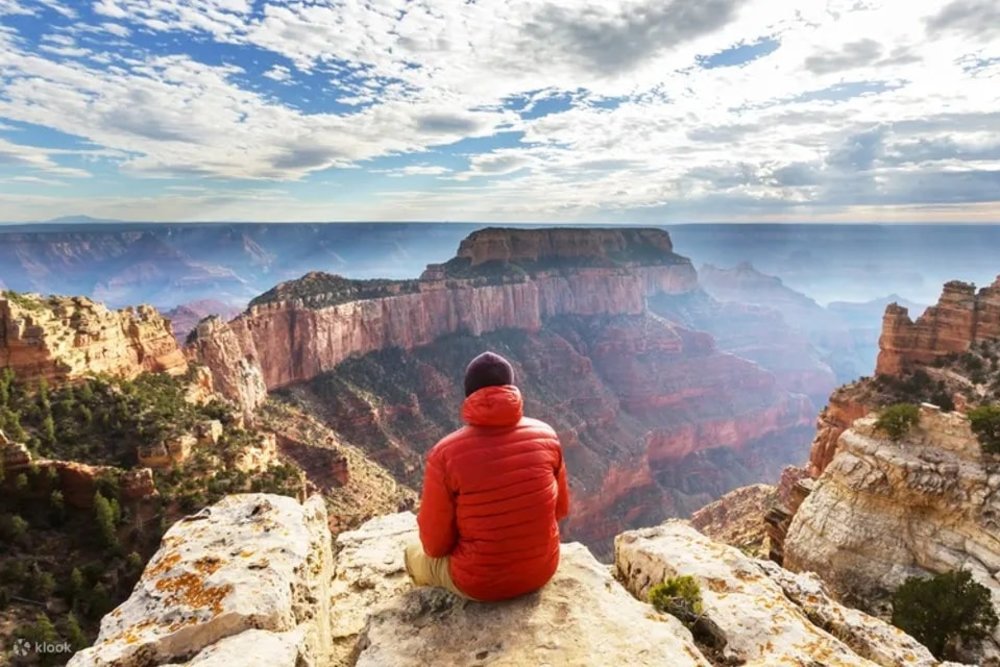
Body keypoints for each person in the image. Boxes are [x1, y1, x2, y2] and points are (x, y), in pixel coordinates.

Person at [404, 351, 570, 602]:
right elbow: (560, 510)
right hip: (541, 570)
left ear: (468, 394)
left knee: (411, 552)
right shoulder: (547, 435)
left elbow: (435, 547)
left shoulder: (444, 454)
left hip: (479, 584)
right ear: (511, 387)